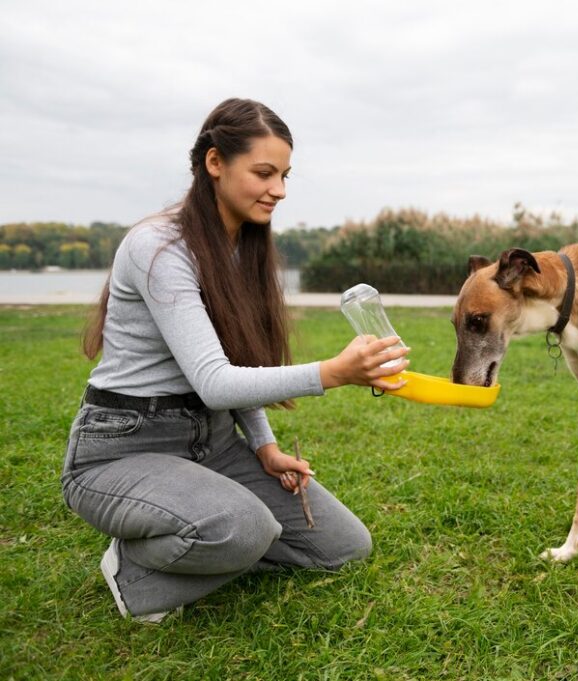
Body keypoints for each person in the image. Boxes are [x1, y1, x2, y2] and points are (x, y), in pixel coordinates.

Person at [61, 98, 410, 623]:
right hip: (124, 447)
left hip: (214, 442)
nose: (280, 190)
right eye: (264, 173)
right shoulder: (158, 248)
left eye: (286, 175)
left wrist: (265, 446)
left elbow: (236, 361)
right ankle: (134, 568)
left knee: (342, 547)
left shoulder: (243, 247)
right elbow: (216, 382)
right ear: (215, 163)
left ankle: (195, 522)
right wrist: (334, 373)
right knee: (245, 528)